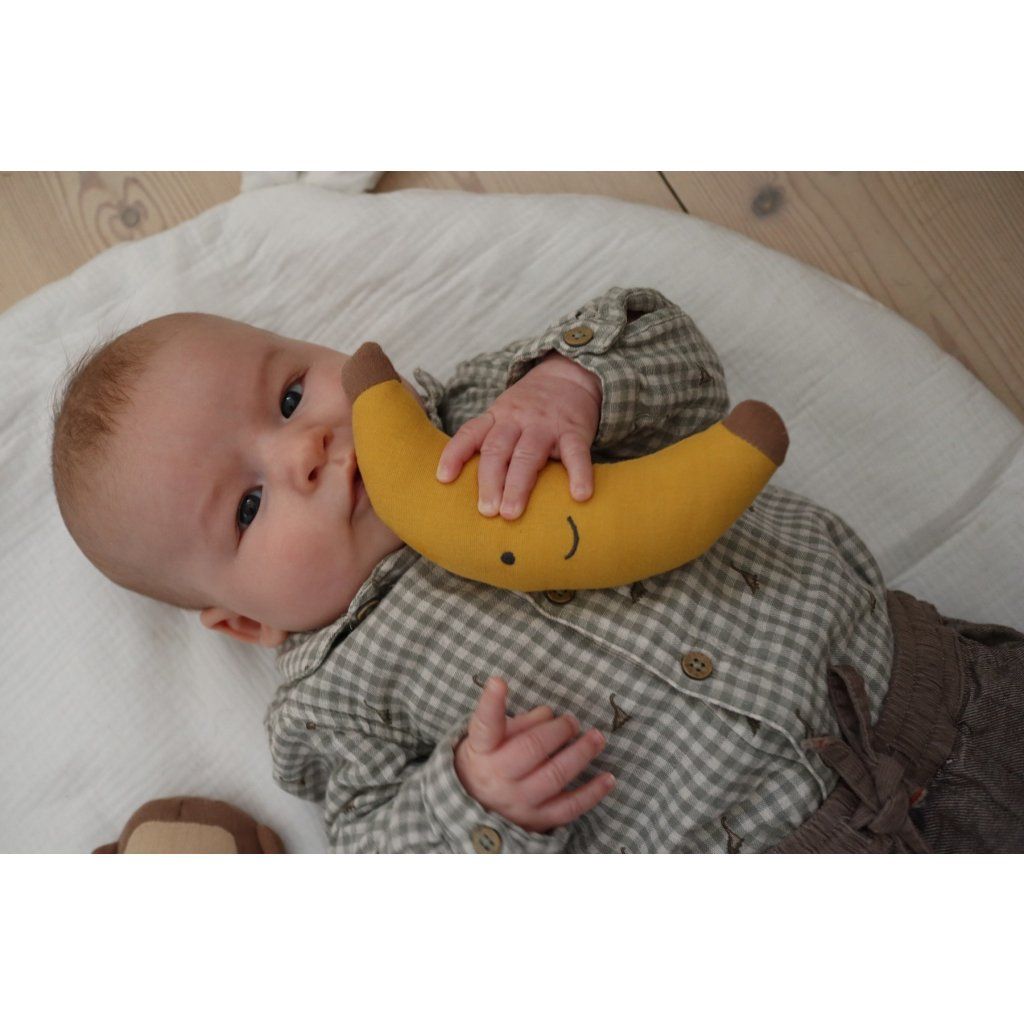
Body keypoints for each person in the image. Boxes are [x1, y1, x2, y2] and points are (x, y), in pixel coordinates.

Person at [50, 286, 1024, 853]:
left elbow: (670, 348)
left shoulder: (487, 408)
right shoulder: (329, 705)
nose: (304, 450)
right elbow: (384, 861)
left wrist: (571, 386)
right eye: (248, 506)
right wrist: (472, 799)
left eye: (292, 394)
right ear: (245, 622)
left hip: (929, 691)